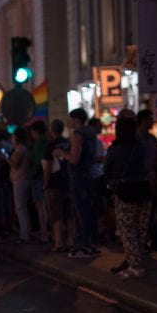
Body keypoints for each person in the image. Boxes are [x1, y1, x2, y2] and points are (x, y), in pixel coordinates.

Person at [104, 116, 151, 278]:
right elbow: (148, 166)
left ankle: (135, 266)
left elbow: (106, 170)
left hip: (125, 192)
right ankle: (133, 261)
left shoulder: (114, 149)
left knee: (127, 230)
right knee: (140, 229)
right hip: (144, 190)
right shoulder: (141, 147)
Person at [56, 108, 100, 258]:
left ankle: (84, 246)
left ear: (76, 120)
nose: (69, 122)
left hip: (78, 177)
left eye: (71, 119)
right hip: (90, 176)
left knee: (81, 212)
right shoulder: (91, 133)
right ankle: (92, 244)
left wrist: (62, 153)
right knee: (89, 210)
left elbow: (74, 159)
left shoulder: (77, 134)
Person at [43, 119, 73, 252]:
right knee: (69, 212)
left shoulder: (50, 146)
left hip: (55, 183)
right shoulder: (69, 143)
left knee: (56, 213)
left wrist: (45, 183)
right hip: (69, 181)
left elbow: (48, 167)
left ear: (51, 130)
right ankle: (71, 240)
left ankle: (58, 242)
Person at [9, 127, 33, 242]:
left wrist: (6, 158)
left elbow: (15, 164)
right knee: (22, 207)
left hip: (20, 180)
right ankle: (26, 232)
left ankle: (25, 234)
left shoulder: (20, 149)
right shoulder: (25, 148)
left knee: (20, 207)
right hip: (23, 179)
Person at [28, 121, 51, 244]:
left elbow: (38, 161)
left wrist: (32, 173)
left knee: (40, 207)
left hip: (38, 177)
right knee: (46, 206)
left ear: (35, 131)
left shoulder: (39, 143)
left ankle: (44, 234)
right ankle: (48, 232)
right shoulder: (48, 141)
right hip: (48, 176)